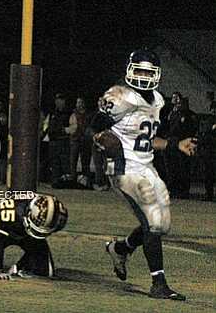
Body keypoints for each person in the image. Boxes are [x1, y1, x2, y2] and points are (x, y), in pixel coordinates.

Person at [91, 49, 197, 300]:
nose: (143, 77)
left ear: (157, 75)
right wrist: (101, 139)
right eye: (138, 71)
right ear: (129, 70)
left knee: (161, 224)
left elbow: (147, 140)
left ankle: (120, 249)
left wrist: (175, 145)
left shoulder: (158, 101)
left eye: (148, 72)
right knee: (152, 221)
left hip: (146, 166)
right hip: (123, 168)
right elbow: (95, 128)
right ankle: (158, 284)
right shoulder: (119, 96)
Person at [0, 193, 68, 279]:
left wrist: (18, 266)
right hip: (3, 230)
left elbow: (36, 242)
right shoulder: (9, 214)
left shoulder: (57, 216)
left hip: (25, 232)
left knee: (45, 271)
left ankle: (23, 267)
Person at [68, 96, 93, 185]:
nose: (79, 104)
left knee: (85, 161)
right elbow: (71, 127)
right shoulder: (73, 114)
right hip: (75, 139)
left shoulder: (88, 115)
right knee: (73, 160)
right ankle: (73, 179)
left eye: (80, 102)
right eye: (78, 102)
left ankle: (85, 180)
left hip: (85, 140)